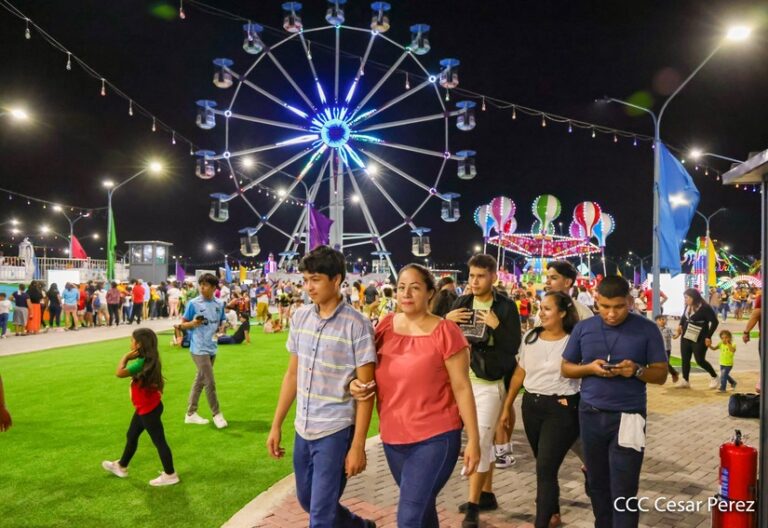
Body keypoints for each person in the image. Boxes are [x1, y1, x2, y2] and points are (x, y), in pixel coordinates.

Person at [350, 263, 481, 527]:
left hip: (436, 437)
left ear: (430, 293)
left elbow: (462, 387)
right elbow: (365, 371)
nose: (406, 294)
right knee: (422, 511)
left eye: (415, 288)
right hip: (394, 437)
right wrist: (354, 383)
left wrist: (475, 440)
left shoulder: (446, 332)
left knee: (409, 516)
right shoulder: (385, 327)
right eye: (401, 288)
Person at [267, 246, 377, 528]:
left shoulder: (357, 325)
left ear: (337, 279)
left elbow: (366, 391)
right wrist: (277, 424)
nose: (308, 287)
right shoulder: (300, 317)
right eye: (305, 280)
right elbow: (293, 374)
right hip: (303, 427)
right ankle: (358, 526)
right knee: (308, 500)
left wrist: (358, 446)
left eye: (315, 279)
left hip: (335, 430)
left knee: (320, 517)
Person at [561, 276, 668, 528]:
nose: (611, 314)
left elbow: (661, 374)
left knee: (625, 487)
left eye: (618, 307)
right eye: (605, 306)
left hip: (629, 417)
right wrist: (590, 368)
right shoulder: (584, 328)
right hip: (590, 415)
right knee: (597, 483)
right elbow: (566, 368)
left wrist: (637, 371)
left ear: (630, 302)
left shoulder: (647, 329)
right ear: (596, 301)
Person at [446, 254, 521, 528]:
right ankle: (486, 494)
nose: (474, 281)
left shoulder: (505, 307)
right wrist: (447, 320)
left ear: (493, 277)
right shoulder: (461, 303)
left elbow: (513, 345)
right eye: (471, 275)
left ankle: (474, 506)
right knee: (482, 440)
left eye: (480, 276)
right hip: (461, 380)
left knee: (478, 442)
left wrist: (497, 327)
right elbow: (443, 339)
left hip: (489, 382)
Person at [499, 291, 580, 528]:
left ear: (562, 313)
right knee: (545, 465)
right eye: (540, 308)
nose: (540, 313)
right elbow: (519, 373)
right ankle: (552, 512)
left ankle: (541, 522)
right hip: (531, 407)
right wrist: (506, 407)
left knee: (545, 467)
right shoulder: (531, 338)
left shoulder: (574, 340)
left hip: (562, 408)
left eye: (547, 309)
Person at [101, 328, 179, 486]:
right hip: (147, 407)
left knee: (159, 441)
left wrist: (125, 357)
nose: (130, 343)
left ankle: (170, 474)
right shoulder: (149, 360)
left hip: (148, 410)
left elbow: (119, 373)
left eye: (132, 340)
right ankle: (121, 466)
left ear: (139, 344)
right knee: (132, 434)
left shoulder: (141, 363)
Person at [178, 273, 228, 429]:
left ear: (213, 288)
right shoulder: (193, 303)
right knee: (209, 382)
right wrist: (193, 323)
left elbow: (222, 320)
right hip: (198, 348)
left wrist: (222, 327)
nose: (202, 288)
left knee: (199, 381)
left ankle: (190, 414)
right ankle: (216, 414)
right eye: (201, 284)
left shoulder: (219, 303)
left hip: (212, 346)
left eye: (205, 285)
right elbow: (183, 324)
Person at [673, 288, 720, 389]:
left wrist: (708, 336)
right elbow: (684, 317)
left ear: (693, 297)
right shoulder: (688, 306)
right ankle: (685, 380)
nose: (685, 300)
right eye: (684, 298)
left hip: (700, 336)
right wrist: (680, 325)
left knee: (700, 360)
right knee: (685, 359)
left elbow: (715, 322)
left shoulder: (705, 307)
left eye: (686, 298)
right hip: (686, 335)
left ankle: (714, 376)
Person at [655, 315, 679, 383]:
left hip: (667, 349)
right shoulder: (655, 329)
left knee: (665, 363)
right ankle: (672, 374)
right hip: (658, 349)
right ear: (656, 321)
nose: (662, 321)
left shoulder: (668, 329)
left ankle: (674, 373)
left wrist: (679, 333)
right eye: (660, 320)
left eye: (663, 319)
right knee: (658, 363)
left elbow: (674, 337)